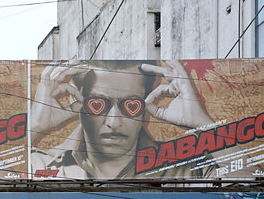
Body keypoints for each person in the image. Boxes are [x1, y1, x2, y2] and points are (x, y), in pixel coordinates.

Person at [30, 60, 215, 180]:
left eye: (130, 105)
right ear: (77, 101)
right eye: (98, 104)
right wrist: (34, 126)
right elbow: (0, 192)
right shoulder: (38, 164)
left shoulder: (186, 169)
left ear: (146, 105)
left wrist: (203, 124)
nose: (114, 122)